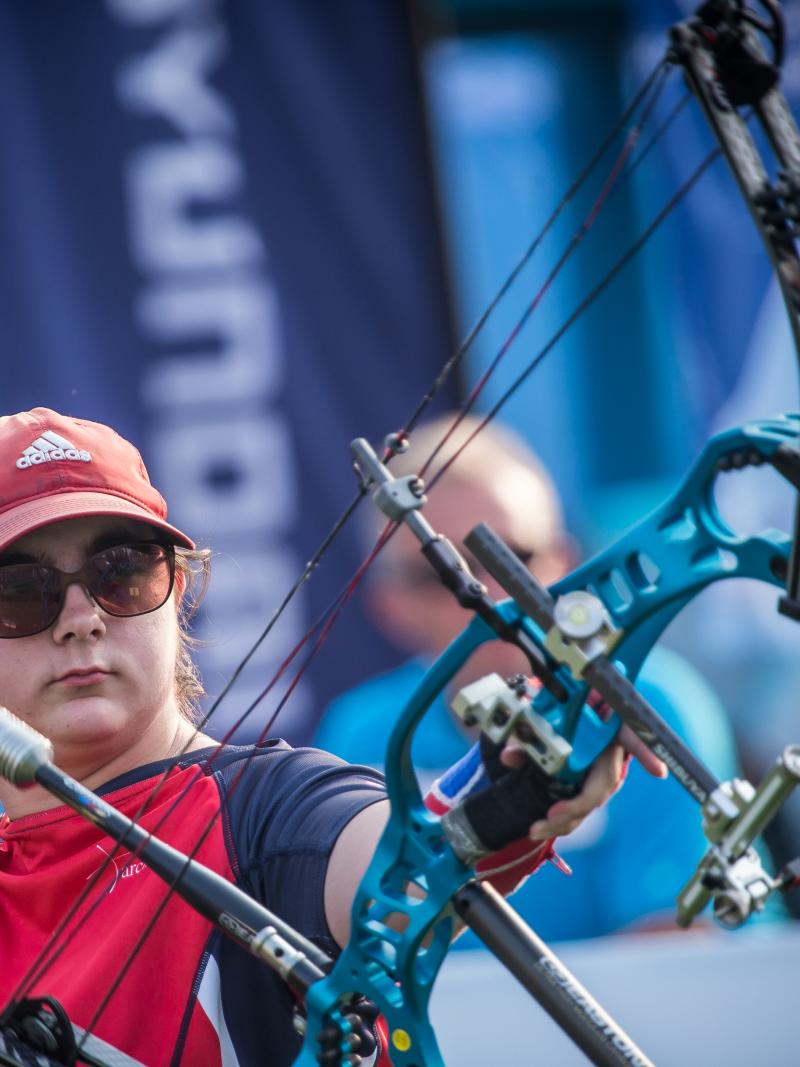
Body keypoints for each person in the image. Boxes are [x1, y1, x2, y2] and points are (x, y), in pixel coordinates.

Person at [0, 407, 657, 1066]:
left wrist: (507, 798)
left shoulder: (269, 810)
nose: (81, 620)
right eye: (20, 591)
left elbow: (398, 866)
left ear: (178, 588)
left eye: (121, 572)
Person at [316, 414, 745, 942]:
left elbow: (674, 945)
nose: (483, 597)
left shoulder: (650, 704)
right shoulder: (365, 732)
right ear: (389, 603)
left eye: (510, 560)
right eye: (437, 574)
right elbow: (363, 940)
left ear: (565, 563)